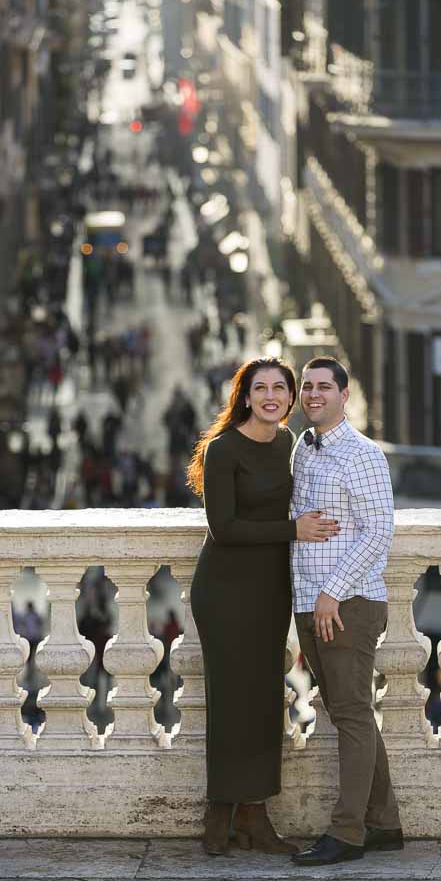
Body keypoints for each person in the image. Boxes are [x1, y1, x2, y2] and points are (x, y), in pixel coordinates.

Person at [186, 357, 340, 855]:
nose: (271, 396)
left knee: (265, 701)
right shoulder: (223, 449)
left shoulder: (289, 446)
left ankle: (255, 817)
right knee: (230, 701)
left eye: (280, 388)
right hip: (225, 592)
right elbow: (223, 529)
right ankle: (219, 812)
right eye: (261, 388)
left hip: (272, 590)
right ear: (245, 397)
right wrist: (293, 530)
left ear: (290, 399)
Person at [289, 356, 402, 867]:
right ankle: (384, 823)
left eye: (323, 387)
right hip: (309, 601)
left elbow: (379, 530)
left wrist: (333, 591)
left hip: (347, 603)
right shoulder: (303, 449)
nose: (313, 394)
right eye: (307, 386)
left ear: (344, 393)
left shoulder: (363, 455)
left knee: (352, 712)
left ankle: (348, 832)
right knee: (345, 710)